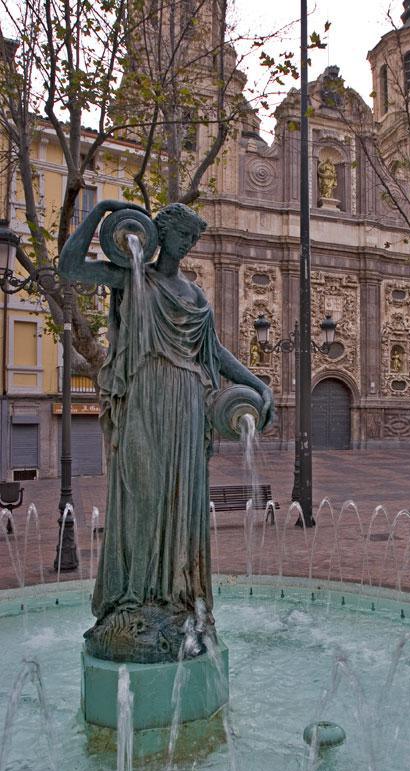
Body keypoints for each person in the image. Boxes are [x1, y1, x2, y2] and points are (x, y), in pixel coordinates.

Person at [59, 200, 274, 658]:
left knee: (182, 500)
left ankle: (177, 600)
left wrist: (257, 383)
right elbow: (71, 265)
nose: (187, 245)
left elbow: (214, 353)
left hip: (186, 403)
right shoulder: (134, 276)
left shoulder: (196, 296)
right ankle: (130, 601)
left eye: (193, 240)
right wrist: (99, 212)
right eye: (182, 236)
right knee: (141, 494)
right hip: (143, 396)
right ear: (161, 235)